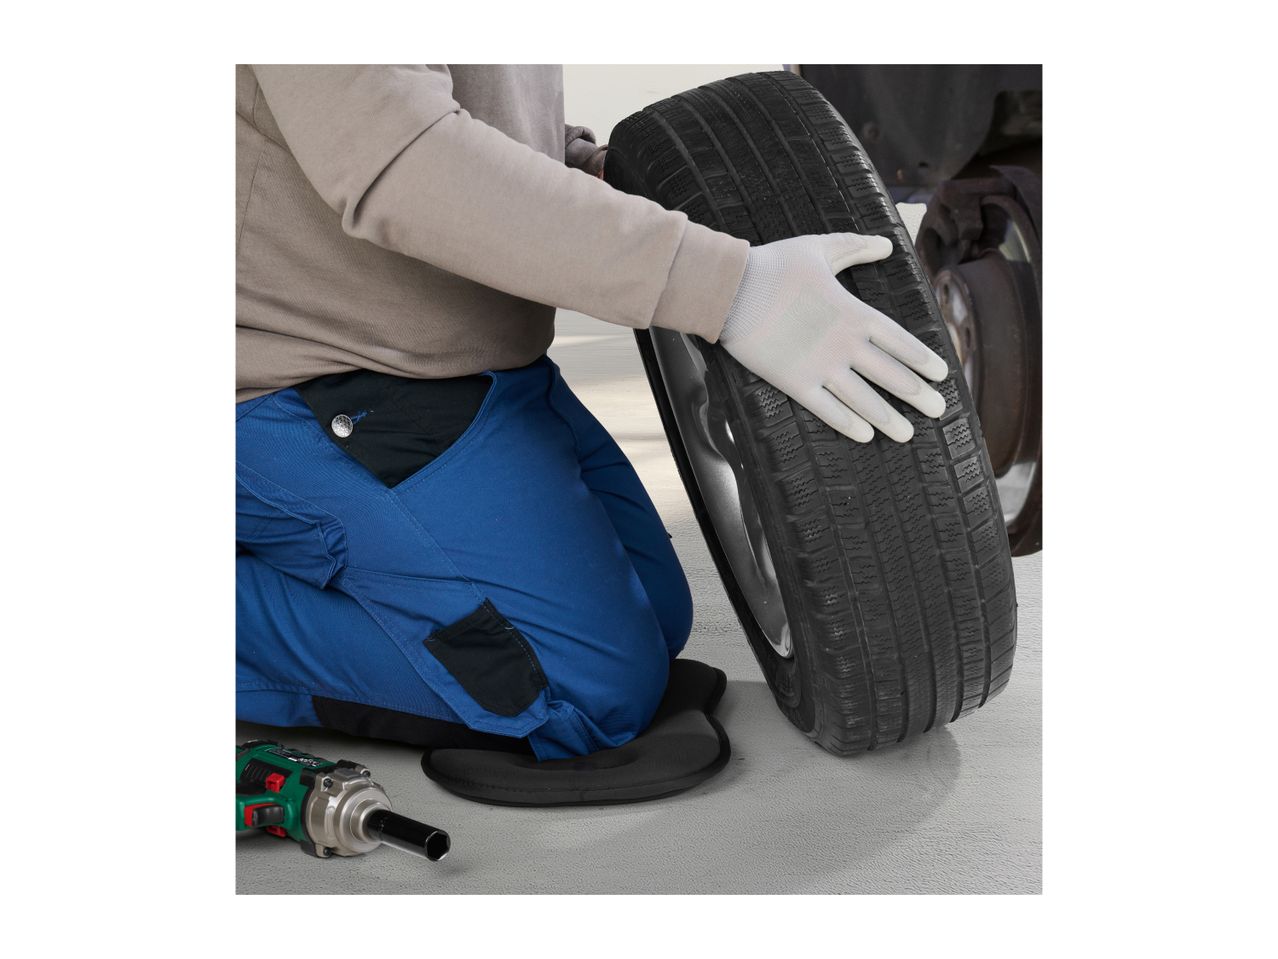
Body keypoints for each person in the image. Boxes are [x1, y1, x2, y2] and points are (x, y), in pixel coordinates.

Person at [236, 65, 948, 760]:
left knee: (658, 615)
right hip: (310, 376)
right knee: (579, 690)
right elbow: (400, 162)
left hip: (473, 364)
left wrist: (611, 178)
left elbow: (479, 112)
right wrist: (724, 290)